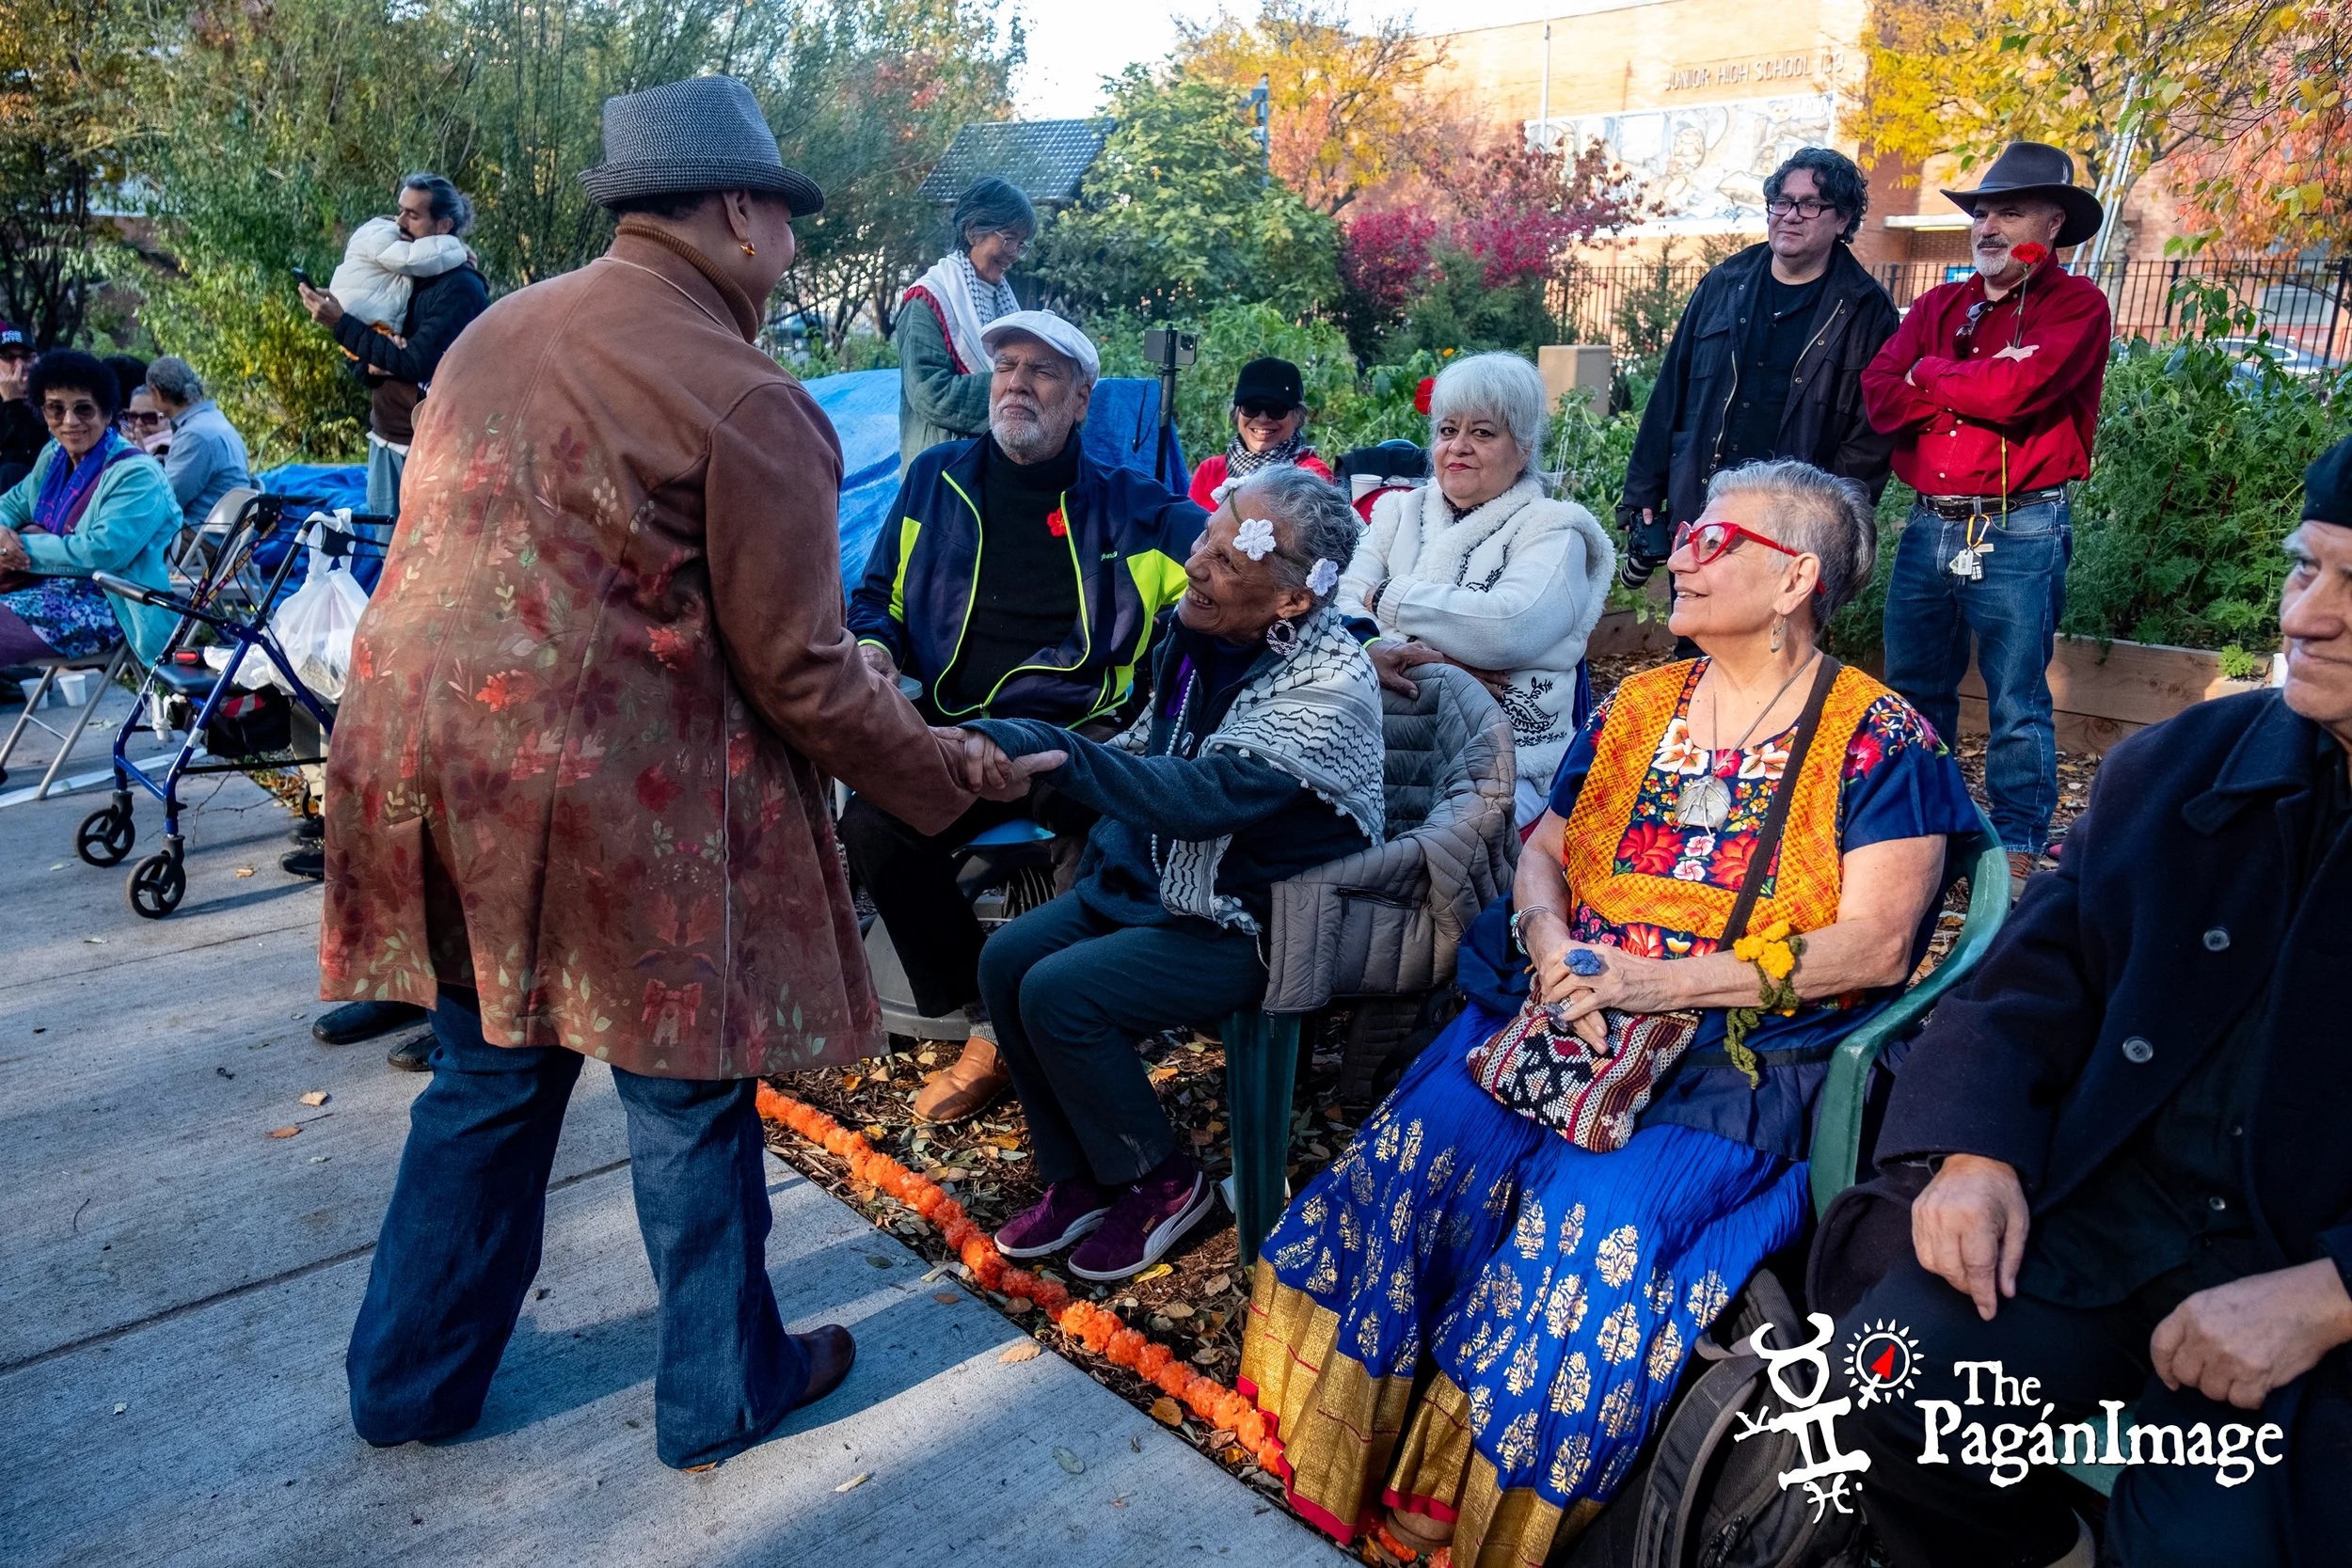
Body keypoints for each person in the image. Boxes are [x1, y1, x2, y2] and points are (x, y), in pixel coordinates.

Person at [318, 75, 1048, 1471]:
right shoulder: (744, 392)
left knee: (486, 1068)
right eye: (785, 219)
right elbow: (801, 674)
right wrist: (954, 772)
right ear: (732, 211)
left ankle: (408, 1375)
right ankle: (721, 1384)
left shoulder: (494, 333)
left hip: (421, 762)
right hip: (601, 797)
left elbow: (550, 573)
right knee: (687, 1084)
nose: (790, 248)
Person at [1241, 460, 1979, 1564]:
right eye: (1685, 530)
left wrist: (1655, 984)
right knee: (1409, 1160)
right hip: (1563, 1009)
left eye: (1714, 539)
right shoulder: (1639, 703)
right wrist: (1548, 942)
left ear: (1795, 581)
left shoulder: (1882, 739)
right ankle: (1349, 1450)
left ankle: (1468, 1507)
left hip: (1735, 1053)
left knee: (1587, 1232)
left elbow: (1871, 942)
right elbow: (1543, 851)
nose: (1680, 551)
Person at [1834, 436, 2352, 1568]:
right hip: (2108, 1215)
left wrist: (2331, 1293)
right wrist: (1974, 1148)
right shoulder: (2181, 766)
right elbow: (2032, 974)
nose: (2307, 617)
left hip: (2307, 1269)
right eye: (2306, 569)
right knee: (1884, 1391)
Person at [953, 466, 1381, 1282]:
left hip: (1249, 918)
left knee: (1060, 993)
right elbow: (1150, 745)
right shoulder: (1199, 633)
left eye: (1226, 561)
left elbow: (1196, 797)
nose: (1196, 565)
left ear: (1293, 601)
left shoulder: (1329, 688)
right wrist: (1036, 760)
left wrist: (1059, 755)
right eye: (1206, 543)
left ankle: (1164, 1180)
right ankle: (1080, 1175)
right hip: (1158, 883)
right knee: (1005, 959)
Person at [847, 309, 1205, 1123]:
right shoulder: (936, 479)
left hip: (1080, 737)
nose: (1016, 383)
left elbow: (1238, 566)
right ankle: (988, 1020)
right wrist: (872, 649)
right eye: (1005, 364)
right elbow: (879, 601)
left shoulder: (1131, 507)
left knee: (1108, 823)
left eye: (1042, 371)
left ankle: (1080, 1020)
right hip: (948, 732)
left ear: (1082, 399)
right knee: (872, 825)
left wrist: (1352, 628)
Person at [1863, 141, 2112, 882]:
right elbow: (1879, 391)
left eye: (2009, 211)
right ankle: (1928, 830)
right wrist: (1974, 379)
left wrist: (1931, 373)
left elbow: (2013, 397)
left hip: (2021, 523)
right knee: (1913, 689)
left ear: (2053, 221)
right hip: (1930, 520)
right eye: (1982, 212)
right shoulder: (1941, 303)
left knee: (2016, 696)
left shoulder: (2077, 306)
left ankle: (2016, 846)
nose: (1988, 226)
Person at [1336, 350, 1616, 825]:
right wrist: (1411, 654)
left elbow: (1507, 627)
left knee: (1453, 847)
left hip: (1509, 763)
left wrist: (1386, 598)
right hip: (1388, 740)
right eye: (1448, 431)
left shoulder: (1554, 528)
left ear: (1524, 448)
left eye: (1482, 432)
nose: (1459, 446)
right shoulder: (1397, 512)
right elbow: (1336, 602)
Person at [1617, 148, 1900, 591]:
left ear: (1843, 220)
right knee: (1696, 635)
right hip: (1705, 505)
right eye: (1782, 202)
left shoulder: (1866, 309)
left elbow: (1871, 436)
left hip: (1790, 524)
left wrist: (1835, 521)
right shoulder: (1725, 283)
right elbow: (1671, 389)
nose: (1790, 215)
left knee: (1777, 644)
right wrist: (1642, 494)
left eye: (1810, 205)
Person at [299, 172, 489, 589]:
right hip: (386, 436)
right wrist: (368, 360)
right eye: (400, 210)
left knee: (424, 564)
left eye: (413, 215)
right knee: (389, 556)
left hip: (428, 446)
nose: (400, 222)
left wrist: (342, 325)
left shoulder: (461, 287)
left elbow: (416, 362)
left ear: (444, 226)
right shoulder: (402, 271)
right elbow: (368, 354)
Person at [0, 350, 181, 669]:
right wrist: (3, 534)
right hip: (42, 588)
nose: (69, 421)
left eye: (83, 409)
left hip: (110, 606)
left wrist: (19, 547)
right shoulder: (55, 454)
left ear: (107, 413)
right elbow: (11, 504)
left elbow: (104, 552)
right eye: (56, 408)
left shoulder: (136, 474)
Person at [898, 175, 1036, 465]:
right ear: (973, 232)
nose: (1014, 254)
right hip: (942, 469)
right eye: (1009, 239)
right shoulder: (928, 300)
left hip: (989, 463)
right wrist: (1020, 386)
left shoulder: (1002, 300)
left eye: (1021, 244)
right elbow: (930, 392)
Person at [1184, 356, 1336, 511]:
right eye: (1251, 408)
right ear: (1236, 413)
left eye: (1277, 409)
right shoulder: (1210, 470)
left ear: (1298, 416)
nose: (1263, 418)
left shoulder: (1312, 474)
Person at [145, 357, 253, 530]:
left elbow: (166, 501)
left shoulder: (195, 435)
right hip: (227, 535)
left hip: (202, 540)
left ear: (155, 392)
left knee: (124, 538)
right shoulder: (214, 418)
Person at [326, 213, 472, 332]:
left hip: (353, 316)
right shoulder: (382, 234)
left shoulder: (369, 235)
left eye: (414, 216)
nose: (401, 223)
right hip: (365, 319)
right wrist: (458, 249)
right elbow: (415, 258)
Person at [0, 322, 42, 492]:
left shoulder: (48, 401)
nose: (19, 365)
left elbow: (36, 454)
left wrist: (14, 402)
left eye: (26, 357)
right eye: (9, 357)